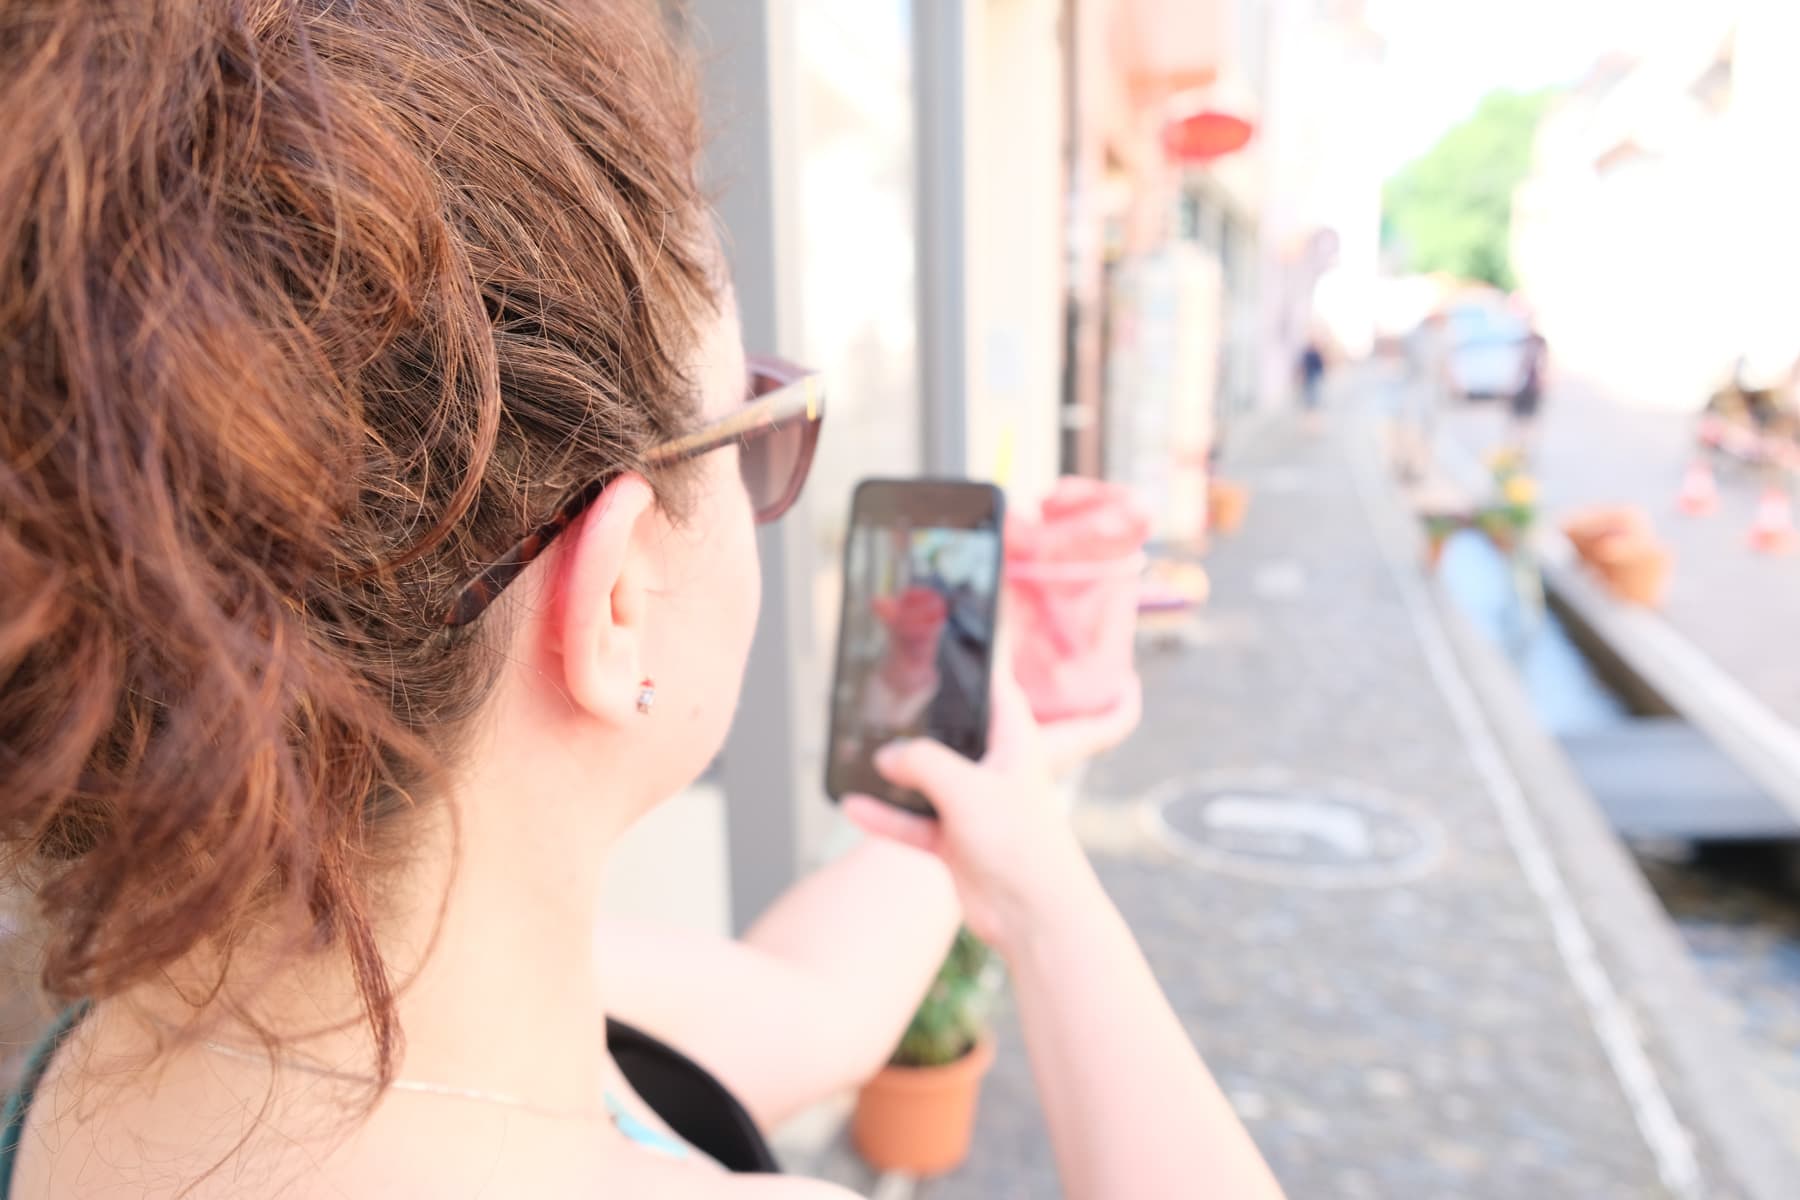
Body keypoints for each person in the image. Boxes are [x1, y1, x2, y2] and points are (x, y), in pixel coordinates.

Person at [0, 2, 1285, 1199]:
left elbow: (810, 1004)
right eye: (753, 424)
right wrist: (1058, 897)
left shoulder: (130, 1045)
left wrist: (1021, 821)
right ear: (615, 597)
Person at [1509, 327, 1549, 456]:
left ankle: (1524, 448)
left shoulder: (1541, 343)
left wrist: (1543, 380)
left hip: (1532, 388)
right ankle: (1516, 447)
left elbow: (1545, 364)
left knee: (1529, 420)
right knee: (1517, 419)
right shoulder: (1520, 341)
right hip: (1520, 387)